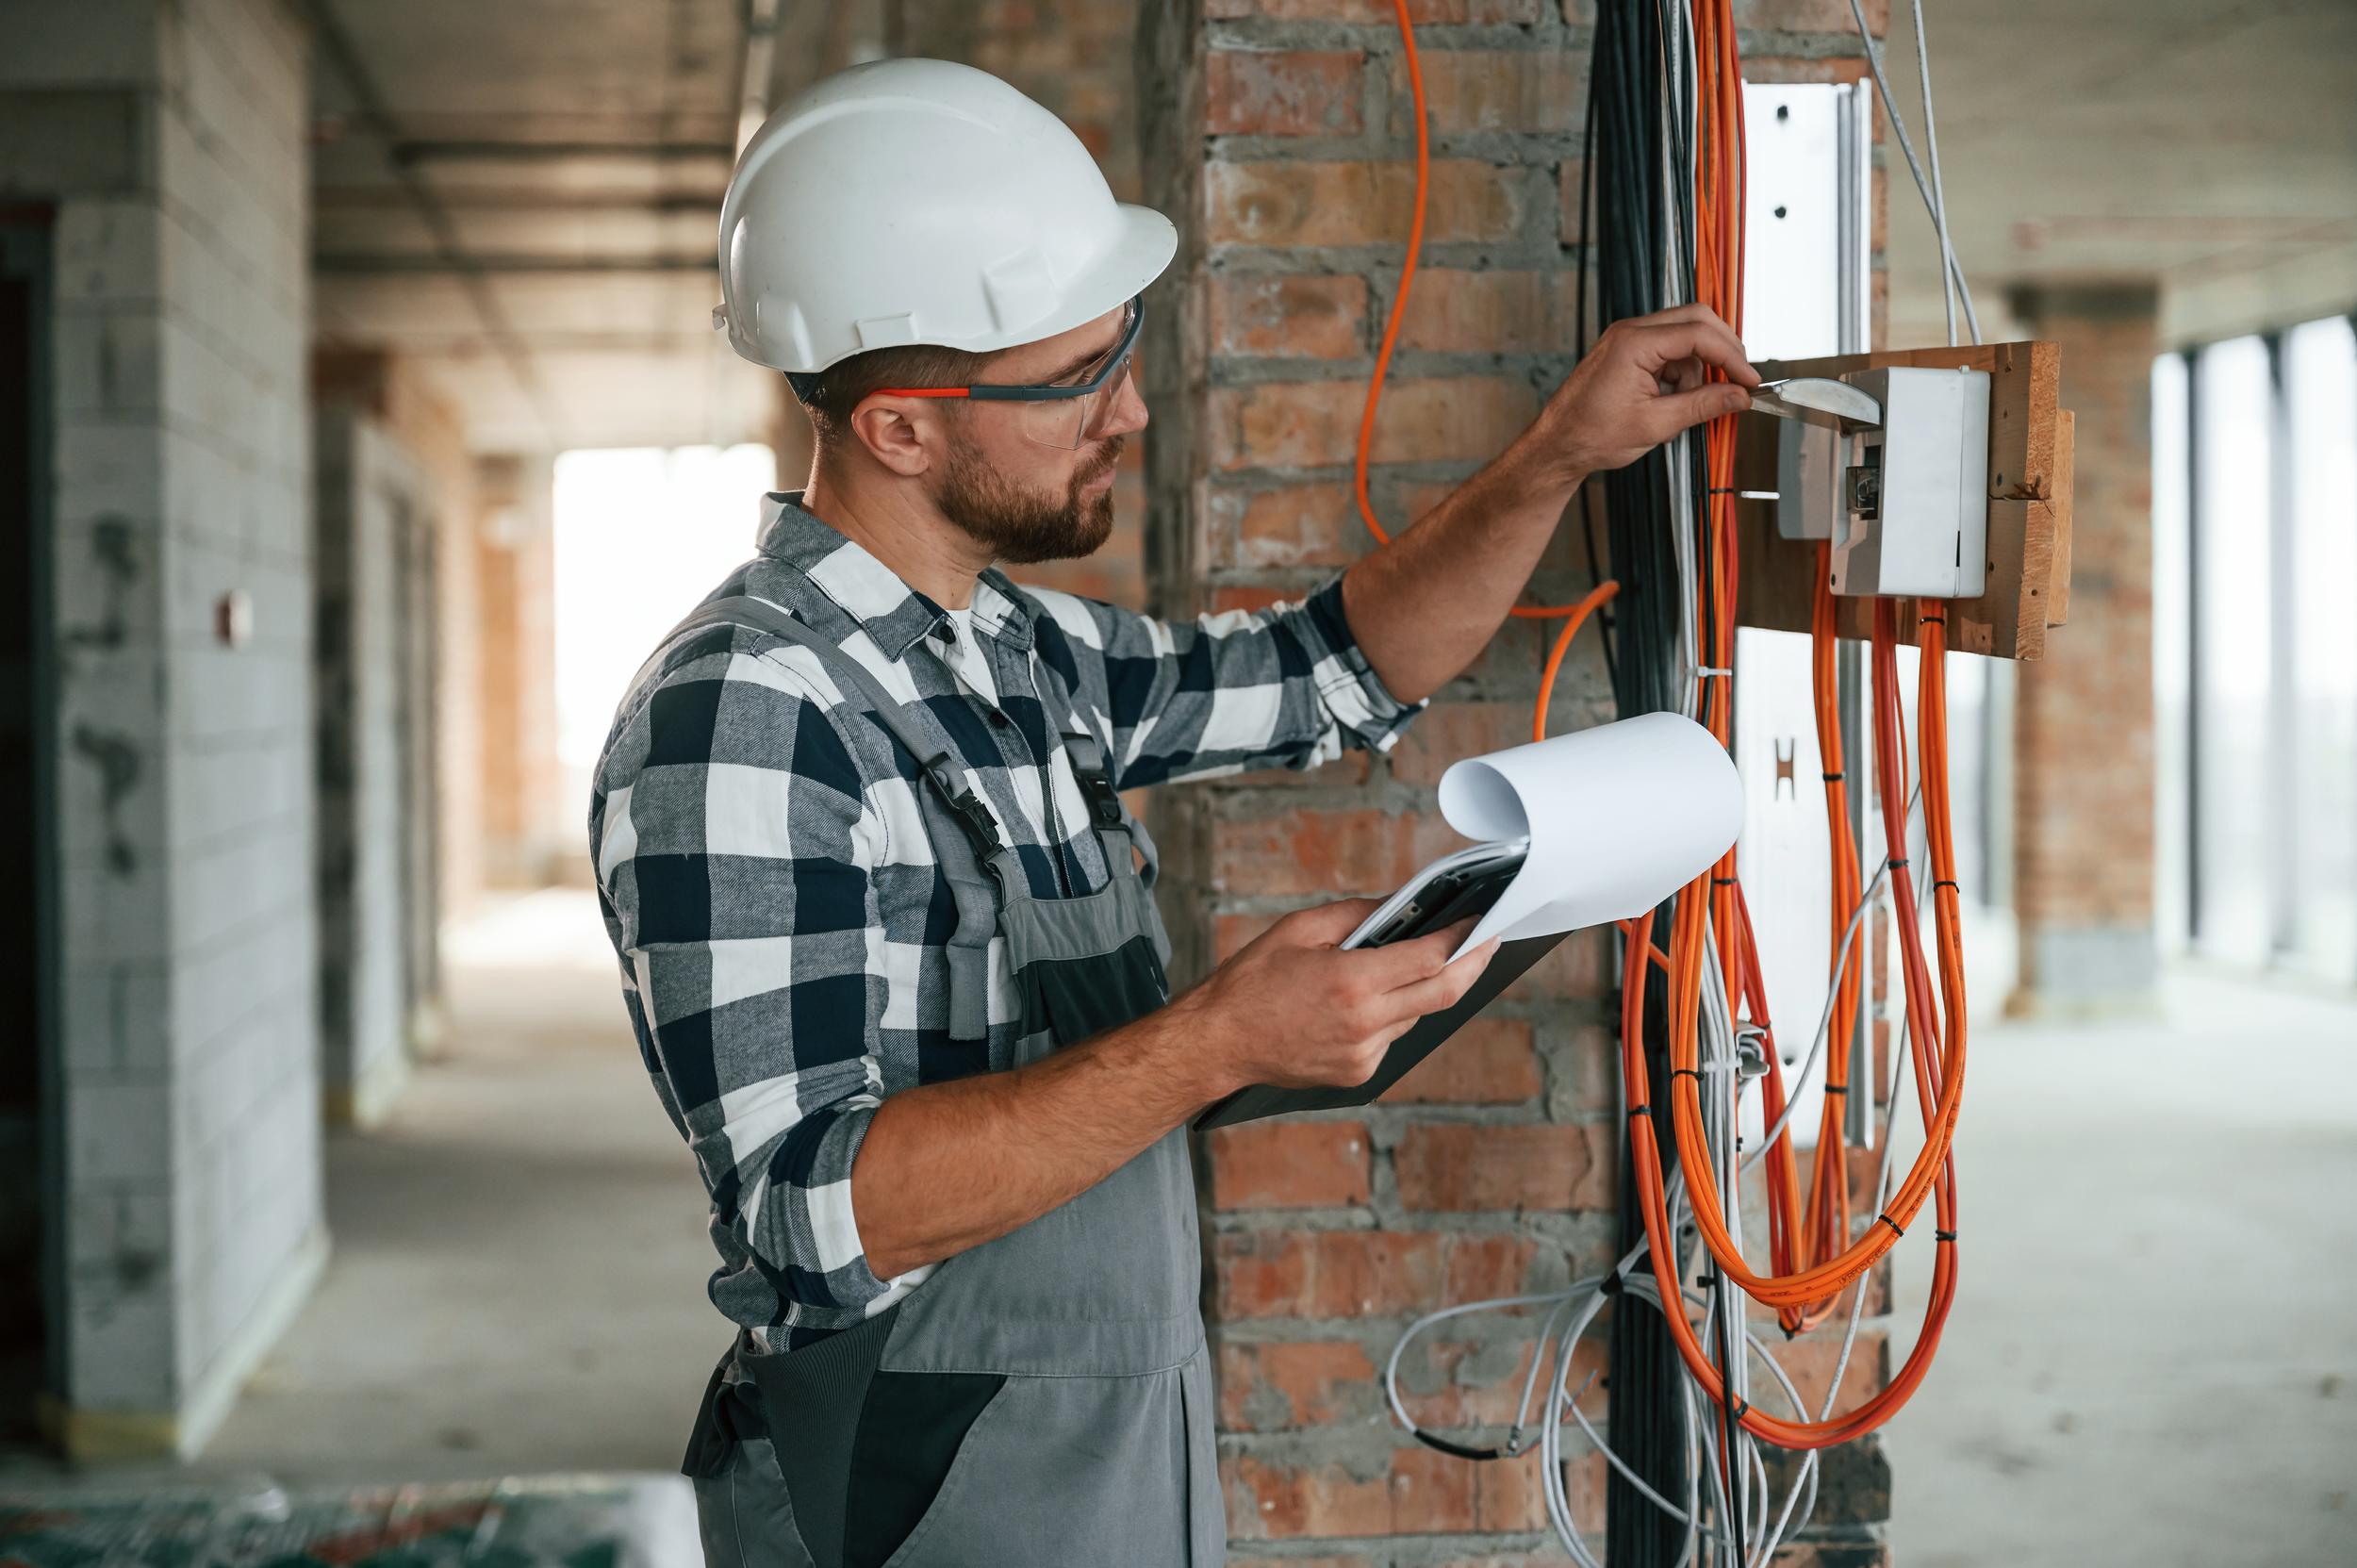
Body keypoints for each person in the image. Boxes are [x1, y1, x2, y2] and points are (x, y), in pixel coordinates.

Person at [589, 56, 1756, 1568]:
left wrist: (1562, 457)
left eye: (1118, 348)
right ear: (900, 429)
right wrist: (1216, 1041)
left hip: (1111, 1459)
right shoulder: (745, 716)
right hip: (907, 1498)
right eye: (1077, 379)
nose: (1129, 406)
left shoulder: (1011, 650)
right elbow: (815, 1209)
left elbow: (1331, 668)